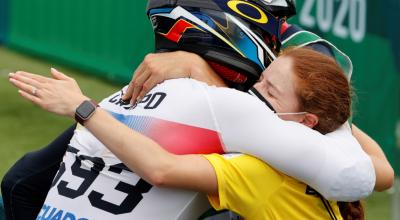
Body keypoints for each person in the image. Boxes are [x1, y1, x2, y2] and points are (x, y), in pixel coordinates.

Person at [2, 0, 392, 219]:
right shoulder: (252, 132)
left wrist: (84, 108)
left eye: (268, 86)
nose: (259, 87)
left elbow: (368, 172)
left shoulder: (301, 61)